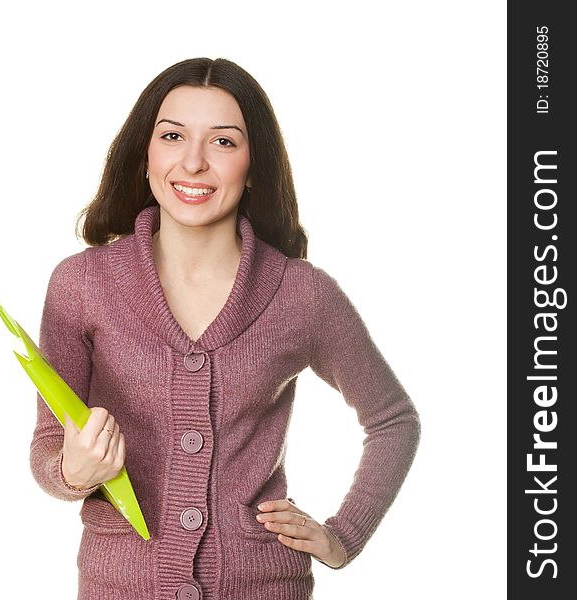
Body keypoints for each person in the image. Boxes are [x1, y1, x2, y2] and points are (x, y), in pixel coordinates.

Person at [29, 57, 420, 600]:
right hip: (119, 586)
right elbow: (50, 446)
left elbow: (393, 420)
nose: (193, 163)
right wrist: (72, 471)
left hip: (263, 583)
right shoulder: (81, 285)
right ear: (145, 154)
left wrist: (342, 537)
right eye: (172, 136)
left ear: (253, 163)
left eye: (223, 143)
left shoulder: (301, 293)